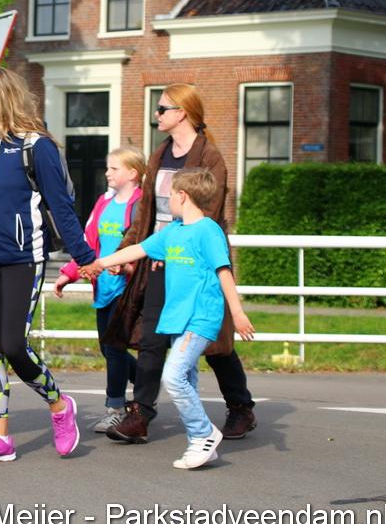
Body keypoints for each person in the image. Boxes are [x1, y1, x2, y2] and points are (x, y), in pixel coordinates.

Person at [0, 67, 95, 464]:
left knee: (13, 345)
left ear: (1, 98)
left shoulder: (37, 146)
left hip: (22, 259)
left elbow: (60, 207)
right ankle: (0, 439)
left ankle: (59, 405)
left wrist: (84, 258)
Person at [103, 83, 258, 444]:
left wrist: (176, 251)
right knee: (152, 337)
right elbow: (145, 213)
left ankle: (240, 406)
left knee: (213, 344)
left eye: (162, 109)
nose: (156, 115)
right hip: (158, 262)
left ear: (182, 113)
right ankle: (141, 414)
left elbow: (207, 217)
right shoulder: (159, 155)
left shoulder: (211, 158)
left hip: (192, 264)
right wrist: (127, 253)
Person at [81, 167, 255, 469]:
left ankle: (203, 434)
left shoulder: (208, 230)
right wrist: (100, 263)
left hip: (200, 317)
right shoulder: (173, 231)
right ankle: (199, 444)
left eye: (171, 194)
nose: (168, 199)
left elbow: (224, 271)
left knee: (173, 376)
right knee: (186, 379)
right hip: (175, 318)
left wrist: (238, 313)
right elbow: (138, 249)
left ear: (183, 196)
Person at [54, 146, 145, 433]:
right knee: (107, 349)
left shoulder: (142, 205)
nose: (107, 173)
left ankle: (115, 408)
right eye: (107, 167)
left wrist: (128, 267)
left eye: (114, 168)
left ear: (133, 173)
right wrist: (69, 274)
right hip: (102, 286)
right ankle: (147, 383)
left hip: (125, 289)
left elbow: (146, 245)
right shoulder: (103, 202)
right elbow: (87, 241)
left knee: (115, 348)